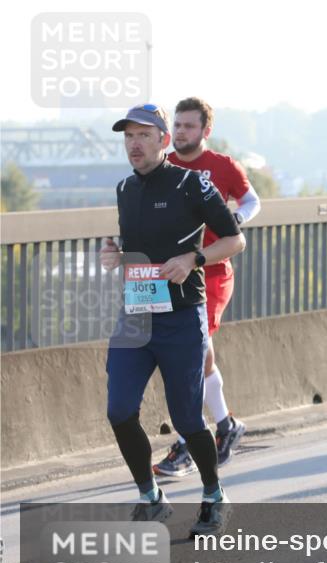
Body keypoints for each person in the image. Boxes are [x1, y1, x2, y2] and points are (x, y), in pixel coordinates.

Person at [101, 103, 246, 536]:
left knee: (186, 421)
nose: (134, 144)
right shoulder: (125, 189)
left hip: (182, 318)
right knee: (119, 411)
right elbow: (143, 251)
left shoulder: (192, 185)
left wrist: (195, 258)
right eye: (128, 136)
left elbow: (235, 240)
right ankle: (151, 498)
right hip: (136, 316)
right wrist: (117, 256)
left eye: (143, 135)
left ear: (164, 140)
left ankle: (214, 496)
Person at [153, 96, 262, 476]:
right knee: (196, 355)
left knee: (192, 353)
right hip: (172, 272)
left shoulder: (221, 167)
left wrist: (236, 217)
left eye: (188, 126)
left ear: (205, 131)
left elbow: (252, 200)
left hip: (212, 272)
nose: (181, 132)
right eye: (177, 126)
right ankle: (226, 426)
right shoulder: (163, 167)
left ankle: (187, 442)